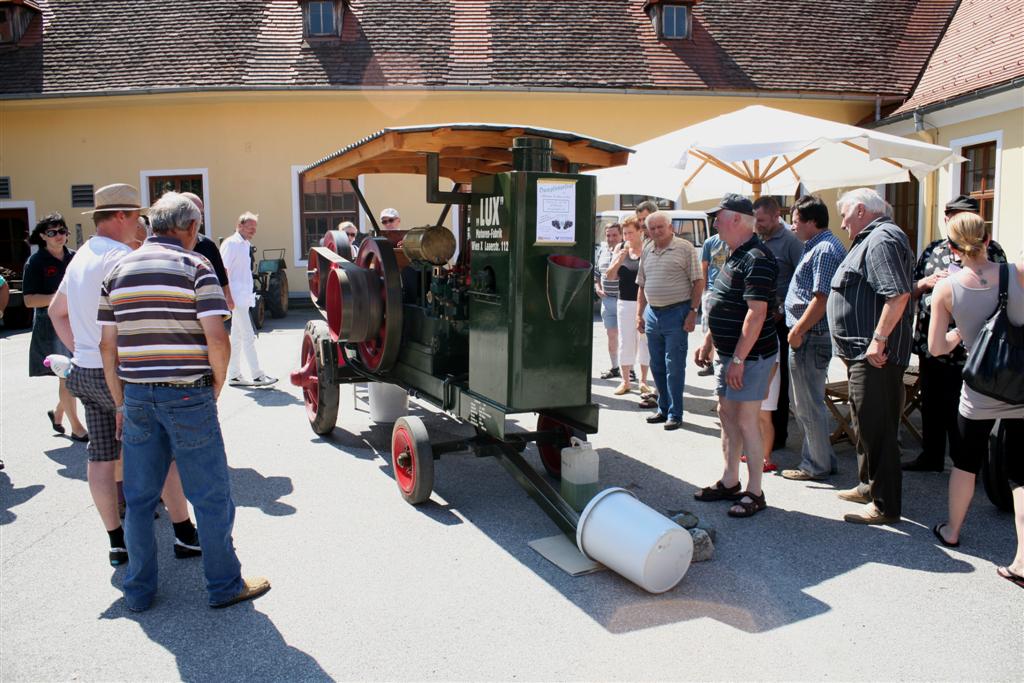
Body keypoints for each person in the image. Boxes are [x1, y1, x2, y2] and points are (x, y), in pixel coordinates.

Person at [98, 191, 270, 611]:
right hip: (187, 392)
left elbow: (107, 346)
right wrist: (215, 386)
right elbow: (217, 336)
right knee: (210, 495)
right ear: (191, 227)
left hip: (137, 396)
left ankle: (138, 590)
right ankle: (224, 584)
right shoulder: (195, 266)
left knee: (138, 499)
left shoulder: (119, 268)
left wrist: (121, 401)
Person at [49, 183, 200, 566]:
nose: (141, 225)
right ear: (120, 217)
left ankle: (116, 541)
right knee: (162, 453)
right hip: (120, 373)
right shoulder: (120, 257)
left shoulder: (82, 254)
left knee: (100, 457)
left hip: (85, 369)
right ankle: (184, 532)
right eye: (137, 217)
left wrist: (79, 350)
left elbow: (56, 311)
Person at [926, 213, 1024, 588]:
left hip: (980, 389)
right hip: (1020, 386)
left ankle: (952, 530)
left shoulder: (946, 289)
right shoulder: (1015, 272)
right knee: (1021, 472)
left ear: (950, 248)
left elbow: (936, 348)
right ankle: (1022, 559)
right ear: (989, 239)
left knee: (965, 464)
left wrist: (958, 336)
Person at [827, 188, 914, 525]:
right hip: (864, 352)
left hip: (875, 354)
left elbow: (898, 294)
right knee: (865, 421)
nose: (843, 222)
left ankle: (885, 504)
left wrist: (878, 340)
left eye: (845, 214)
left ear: (861, 210)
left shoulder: (881, 238)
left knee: (877, 427)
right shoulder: (873, 238)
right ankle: (868, 485)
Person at [903, 195, 1006, 472]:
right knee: (932, 403)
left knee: (967, 408)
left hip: (973, 348)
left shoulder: (992, 251)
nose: (952, 220)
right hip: (932, 342)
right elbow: (911, 286)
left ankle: (970, 464)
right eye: (950, 216)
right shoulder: (933, 249)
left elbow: (999, 298)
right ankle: (931, 455)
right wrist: (926, 283)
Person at [693, 194, 778, 518]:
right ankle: (730, 481)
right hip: (729, 354)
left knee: (746, 420)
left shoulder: (757, 257)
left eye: (719, 217)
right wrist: (710, 340)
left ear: (739, 220)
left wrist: (739, 360)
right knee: (726, 413)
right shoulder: (733, 254)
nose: (714, 223)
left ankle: (755, 491)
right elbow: (725, 301)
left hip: (751, 357)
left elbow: (756, 315)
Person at [780, 195, 846, 482]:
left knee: (807, 406)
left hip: (809, 338)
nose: (793, 227)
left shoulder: (824, 250)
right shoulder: (820, 246)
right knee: (807, 404)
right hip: (808, 337)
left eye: (796, 222)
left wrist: (797, 331)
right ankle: (823, 459)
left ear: (811, 222)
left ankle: (815, 465)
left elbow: (822, 299)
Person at [636, 210, 704, 430]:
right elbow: (642, 284)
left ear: (670, 228)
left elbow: (698, 282)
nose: (656, 231)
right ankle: (663, 408)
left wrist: (693, 311)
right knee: (656, 365)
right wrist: (640, 313)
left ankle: (675, 413)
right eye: (652, 228)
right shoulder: (647, 248)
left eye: (660, 227)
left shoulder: (685, 248)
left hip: (677, 313)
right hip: (653, 313)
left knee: (673, 366)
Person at [23, 213, 87, 441]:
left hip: (78, 322)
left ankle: (58, 413)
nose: (59, 236)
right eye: (52, 232)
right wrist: (60, 298)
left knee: (76, 374)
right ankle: (77, 427)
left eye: (62, 231)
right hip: (50, 325)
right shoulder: (35, 262)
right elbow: (29, 300)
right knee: (67, 375)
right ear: (42, 236)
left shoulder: (76, 257)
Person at [753, 196, 803, 450]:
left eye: (761, 220)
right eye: (755, 220)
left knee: (778, 381)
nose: (757, 224)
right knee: (760, 377)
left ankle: (778, 435)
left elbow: (801, 280)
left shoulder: (791, 243)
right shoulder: (757, 239)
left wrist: (783, 309)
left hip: (781, 321)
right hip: (760, 318)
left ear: (775, 216)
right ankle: (761, 430)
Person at [220, 211, 276, 387]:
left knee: (237, 337)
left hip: (243, 296)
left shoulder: (245, 244)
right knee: (248, 335)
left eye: (255, 227)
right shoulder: (231, 243)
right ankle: (257, 375)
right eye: (250, 227)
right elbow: (223, 270)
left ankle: (234, 375)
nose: (253, 230)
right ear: (240, 225)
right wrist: (227, 296)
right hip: (235, 297)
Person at [605, 216, 652, 396]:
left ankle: (643, 381)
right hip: (624, 301)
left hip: (646, 303)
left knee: (644, 341)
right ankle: (625, 381)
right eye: (625, 233)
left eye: (631, 233)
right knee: (625, 341)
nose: (627, 237)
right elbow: (610, 276)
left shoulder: (648, 249)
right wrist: (619, 258)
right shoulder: (620, 248)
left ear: (640, 231)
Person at [182, 192, 234, 311]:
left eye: (201, 214)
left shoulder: (208, 245)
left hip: (205, 308)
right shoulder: (167, 245)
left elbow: (221, 275)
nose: (200, 219)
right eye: (197, 213)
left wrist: (228, 298)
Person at [698, 232, 730, 376]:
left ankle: (719, 361)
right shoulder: (710, 242)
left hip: (728, 290)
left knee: (721, 329)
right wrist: (703, 291)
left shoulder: (734, 240)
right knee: (708, 328)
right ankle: (709, 362)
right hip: (712, 289)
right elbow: (704, 267)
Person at [595, 222, 622, 380]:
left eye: (614, 235)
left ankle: (629, 369)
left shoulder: (627, 251)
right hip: (607, 300)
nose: (611, 238)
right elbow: (597, 273)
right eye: (608, 235)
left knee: (627, 338)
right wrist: (597, 288)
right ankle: (615, 367)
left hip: (624, 300)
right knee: (611, 335)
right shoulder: (603, 250)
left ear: (621, 235)